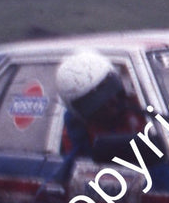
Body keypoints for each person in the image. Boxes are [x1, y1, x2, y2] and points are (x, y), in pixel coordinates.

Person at [54, 50, 146, 184]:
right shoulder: (77, 130)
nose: (112, 100)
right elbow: (81, 165)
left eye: (111, 88)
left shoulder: (142, 105)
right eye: (97, 101)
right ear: (83, 110)